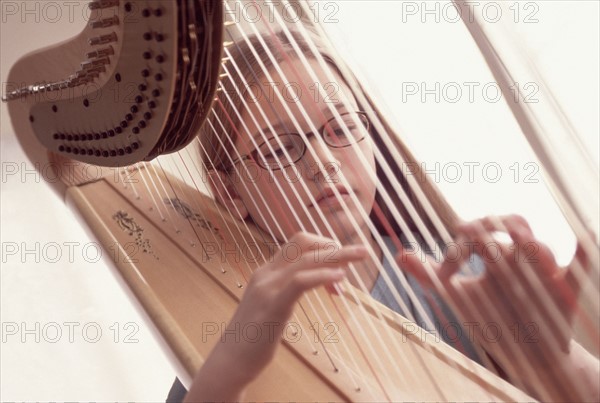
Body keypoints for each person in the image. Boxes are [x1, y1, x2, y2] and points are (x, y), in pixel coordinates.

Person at [167, 30, 599, 402]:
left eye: (339, 129)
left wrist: (552, 369)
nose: (323, 161)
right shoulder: (227, 334)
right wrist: (229, 371)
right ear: (229, 191)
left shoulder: (459, 278)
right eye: (279, 149)